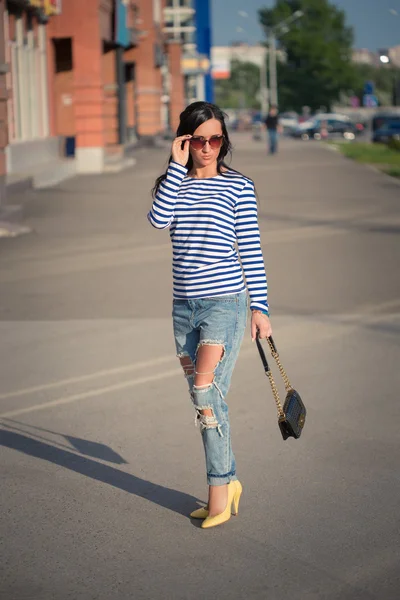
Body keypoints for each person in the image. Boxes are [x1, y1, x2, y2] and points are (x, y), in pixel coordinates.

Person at [148, 101, 271, 529]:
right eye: (197, 139)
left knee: (205, 393)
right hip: (183, 307)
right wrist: (176, 167)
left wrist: (261, 308)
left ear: (224, 141)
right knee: (206, 403)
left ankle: (219, 490)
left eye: (214, 139)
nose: (207, 147)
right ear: (185, 140)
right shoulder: (173, 185)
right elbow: (157, 220)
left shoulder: (239, 187)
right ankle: (228, 482)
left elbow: (251, 252)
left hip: (225, 303)